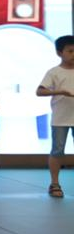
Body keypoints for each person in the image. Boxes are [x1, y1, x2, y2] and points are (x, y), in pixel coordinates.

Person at [36, 35, 74, 198]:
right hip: (60, 118)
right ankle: (55, 183)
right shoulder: (54, 72)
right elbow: (39, 91)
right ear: (59, 53)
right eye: (70, 51)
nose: (73, 54)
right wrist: (60, 91)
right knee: (57, 151)